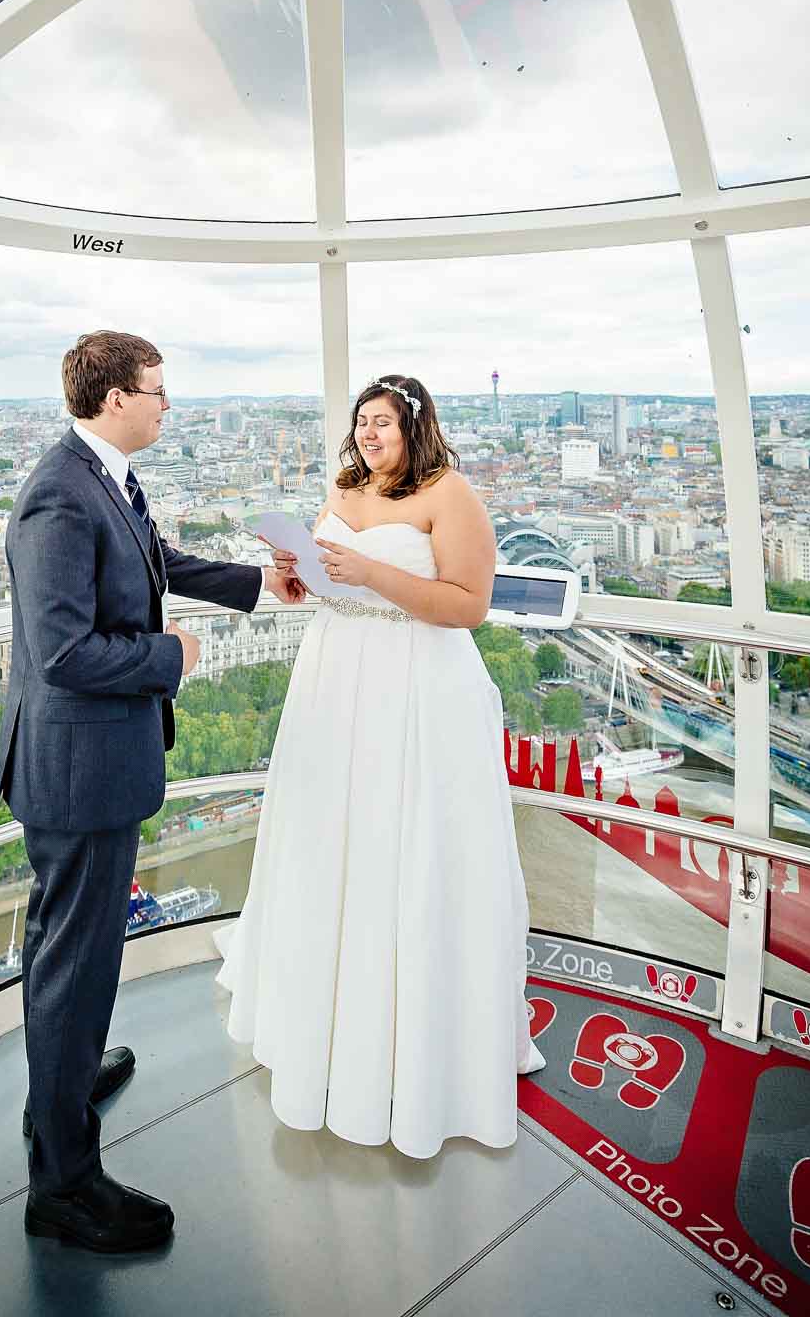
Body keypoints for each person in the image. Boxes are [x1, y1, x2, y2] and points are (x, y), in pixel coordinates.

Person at [0, 329, 304, 1253]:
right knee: (75, 962)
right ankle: (64, 1185)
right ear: (114, 397)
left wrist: (260, 582)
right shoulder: (58, 496)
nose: (171, 406)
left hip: (92, 765)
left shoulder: (107, 480)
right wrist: (176, 656)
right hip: (78, 773)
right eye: (159, 391)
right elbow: (62, 653)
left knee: (69, 952)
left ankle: (63, 1081)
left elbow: (156, 558)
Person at [215, 372, 546, 1159]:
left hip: (419, 684)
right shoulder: (344, 488)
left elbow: (468, 603)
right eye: (362, 421)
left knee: (413, 845)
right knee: (333, 842)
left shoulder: (449, 493)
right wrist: (306, 579)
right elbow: (339, 585)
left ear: (416, 427)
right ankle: (332, 1023)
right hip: (336, 675)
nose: (369, 434)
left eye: (384, 422)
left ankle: (418, 1049)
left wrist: (373, 575)